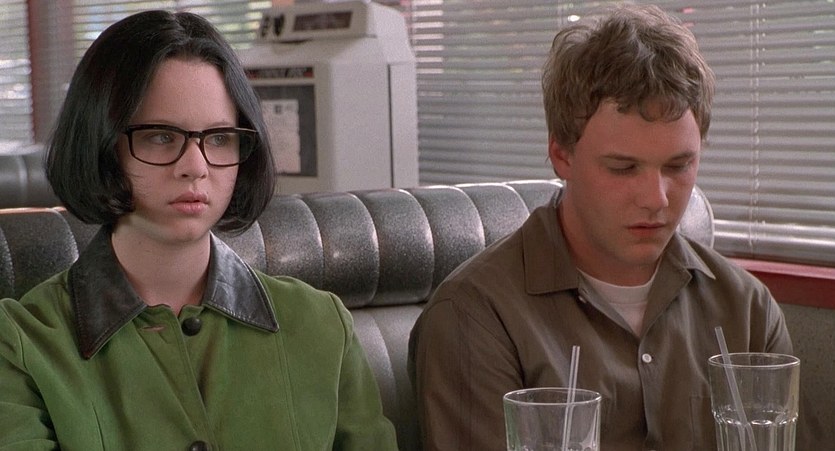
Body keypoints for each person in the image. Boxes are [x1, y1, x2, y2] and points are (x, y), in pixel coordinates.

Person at [409, 4, 809, 450]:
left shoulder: (747, 308)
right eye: (623, 168)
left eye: (678, 166)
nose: (656, 199)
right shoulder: (474, 317)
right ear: (562, 155)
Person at [0, 10, 397, 450]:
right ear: (102, 145)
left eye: (219, 138)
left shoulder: (321, 325)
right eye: (160, 136)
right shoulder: (21, 343)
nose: (196, 166)